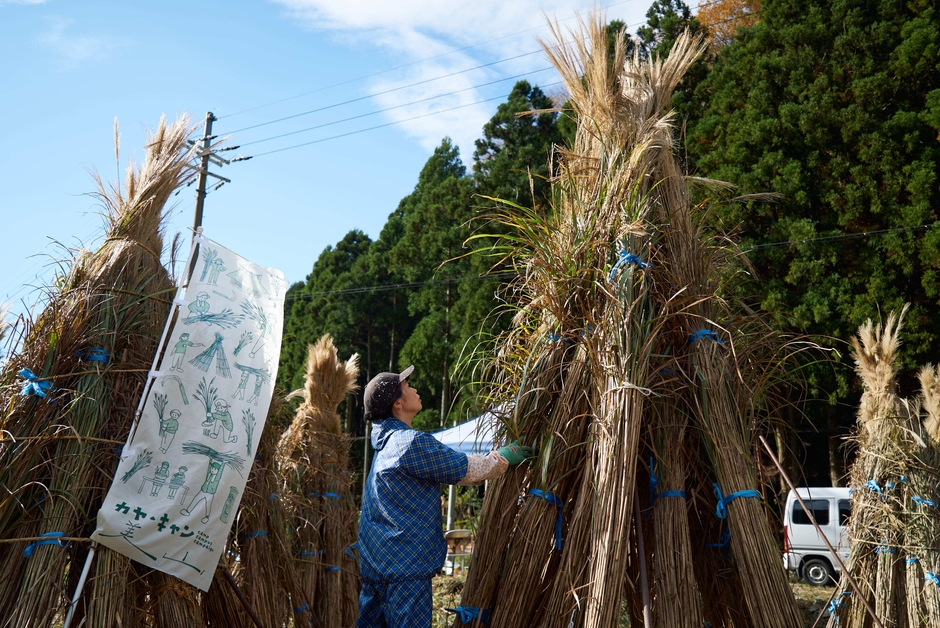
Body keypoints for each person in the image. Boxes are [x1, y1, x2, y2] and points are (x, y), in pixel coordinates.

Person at [356, 366, 533, 628]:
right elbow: (464, 469)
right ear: (398, 404)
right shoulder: (409, 442)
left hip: (376, 568)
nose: (415, 389)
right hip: (405, 572)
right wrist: (503, 457)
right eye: (408, 386)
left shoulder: (385, 446)